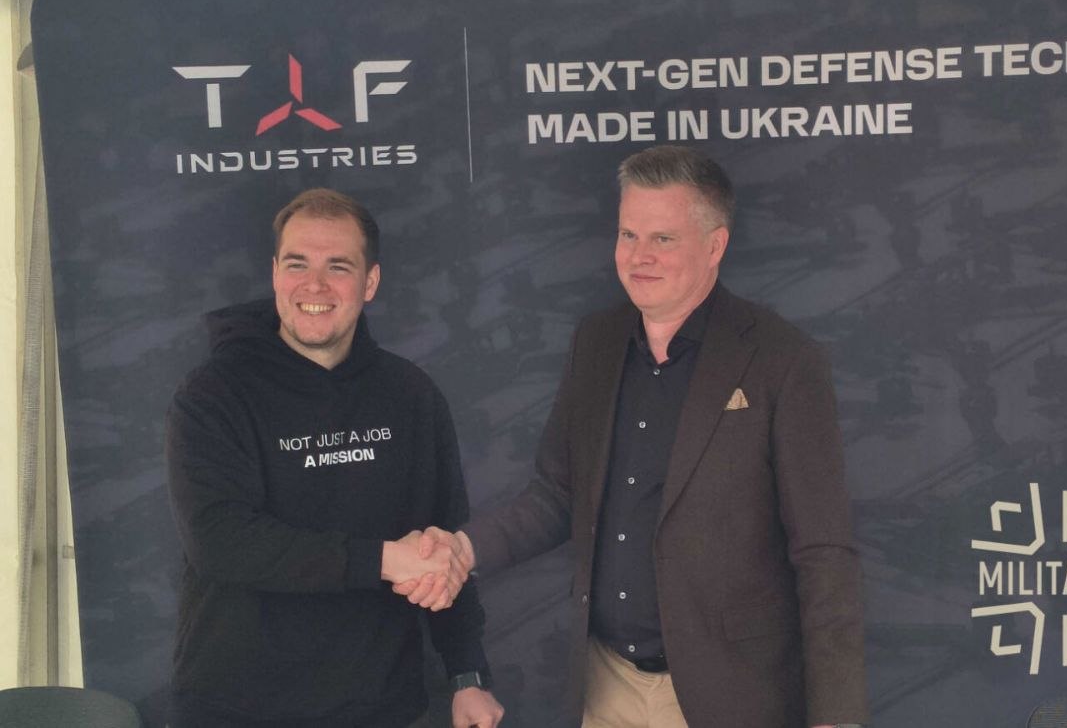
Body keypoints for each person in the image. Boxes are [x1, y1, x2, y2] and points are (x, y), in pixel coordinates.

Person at [398, 146, 868, 727]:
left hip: (730, 697)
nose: (639, 256)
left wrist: (836, 716)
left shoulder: (783, 360)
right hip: (607, 688)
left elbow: (823, 551)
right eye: (628, 235)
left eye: (662, 239)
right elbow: (557, 495)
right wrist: (462, 551)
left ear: (715, 245)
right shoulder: (596, 342)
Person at [165, 188, 504, 728]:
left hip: (380, 707)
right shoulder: (213, 394)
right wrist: (384, 560)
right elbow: (220, 541)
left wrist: (467, 675)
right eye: (297, 263)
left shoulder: (411, 395)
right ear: (275, 273)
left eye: (338, 267)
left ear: (370, 282)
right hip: (236, 710)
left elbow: (443, 542)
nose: (314, 285)